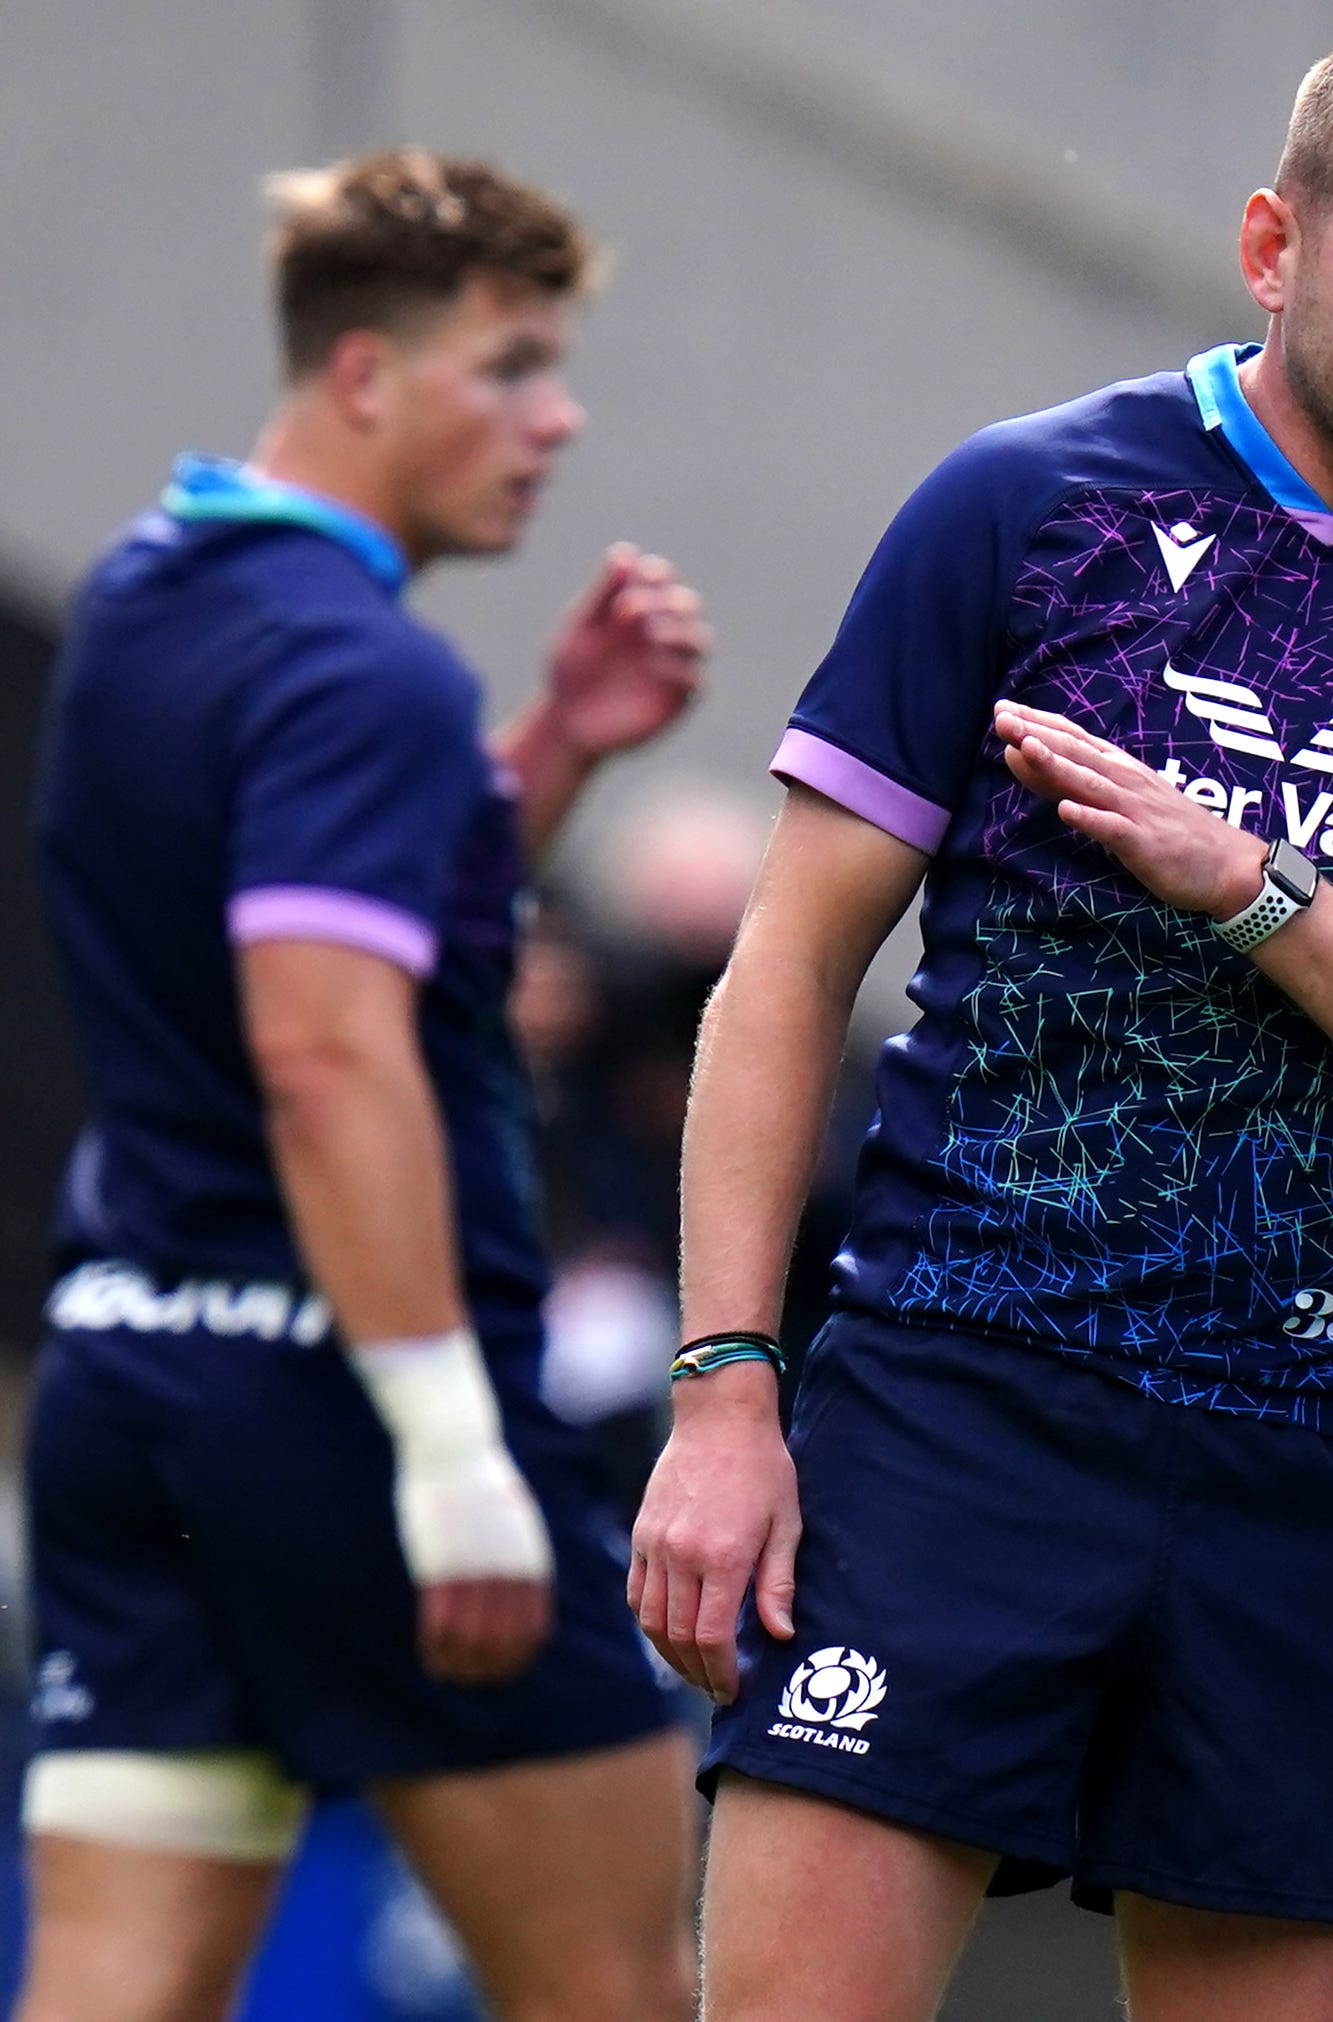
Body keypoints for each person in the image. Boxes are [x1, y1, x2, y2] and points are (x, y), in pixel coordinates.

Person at [627, 31, 1333, 2022]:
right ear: (1269, 245)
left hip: (1320, 1463)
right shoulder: (1028, 504)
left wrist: (1258, 894)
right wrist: (723, 1394)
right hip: (957, 1407)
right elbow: (781, 973)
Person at [21, 150, 704, 2022]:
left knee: (110, 1990)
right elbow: (325, 1049)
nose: (552, 418)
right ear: (362, 377)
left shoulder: (151, 599)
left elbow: (331, 927)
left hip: (136, 1382)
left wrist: (550, 747)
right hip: (358, 1425)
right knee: (616, 1991)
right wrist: (456, 1455)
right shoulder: (358, 668)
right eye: (507, 366)